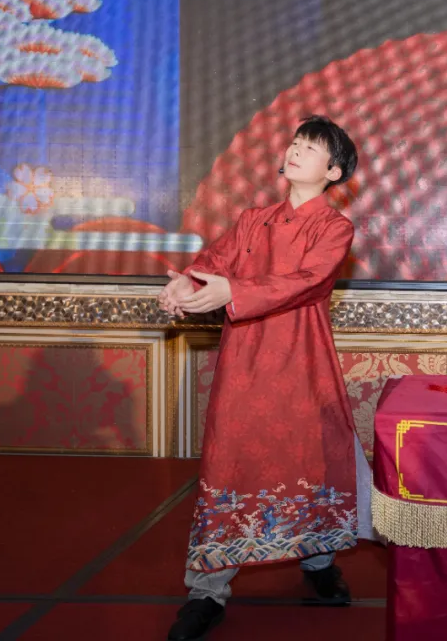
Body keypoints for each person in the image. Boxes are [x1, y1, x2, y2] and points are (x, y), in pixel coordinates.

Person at [158, 115, 371, 641]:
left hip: (302, 359)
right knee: (229, 460)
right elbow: (214, 261)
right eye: (295, 142)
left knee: (311, 457)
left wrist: (232, 291)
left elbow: (306, 281)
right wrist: (186, 285)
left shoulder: (334, 228)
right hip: (246, 359)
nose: (295, 150)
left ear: (334, 171)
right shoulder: (254, 220)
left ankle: (319, 563)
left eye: (311, 147)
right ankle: (206, 592)